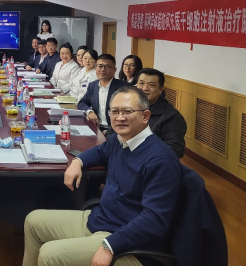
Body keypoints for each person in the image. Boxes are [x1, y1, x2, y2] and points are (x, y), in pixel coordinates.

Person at [23, 86, 183, 266]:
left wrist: (110, 246)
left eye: (127, 111)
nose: (119, 117)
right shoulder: (120, 140)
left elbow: (155, 220)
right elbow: (100, 151)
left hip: (127, 240)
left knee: (50, 255)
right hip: (102, 219)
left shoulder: (161, 160)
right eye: (114, 111)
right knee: (33, 221)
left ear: (145, 116)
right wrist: (78, 162)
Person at [133, 68, 187, 158]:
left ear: (161, 89)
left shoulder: (172, 116)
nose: (145, 88)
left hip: (148, 161)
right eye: (141, 83)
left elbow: (174, 149)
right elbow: (113, 130)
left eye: (151, 85)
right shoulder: (129, 105)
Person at [78, 54, 130, 133]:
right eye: (100, 66)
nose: (103, 69)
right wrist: (90, 112)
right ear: (96, 67)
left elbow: (127, 114)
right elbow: (82, 102)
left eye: (107, 67)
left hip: (115, 130)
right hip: (96, 127)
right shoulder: (93, 85)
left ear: (114, 70)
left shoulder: (123, 87)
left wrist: (108, 132)